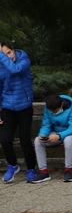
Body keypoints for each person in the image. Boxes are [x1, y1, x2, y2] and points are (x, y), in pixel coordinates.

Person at [0, 42, 38, 183]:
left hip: (24, 108)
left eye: (9, 52)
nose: (8, 57)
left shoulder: (24, 61)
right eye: (4, 55)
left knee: (25, 141)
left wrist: (0, 55)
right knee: (5, 139)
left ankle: (31, 169)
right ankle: (13, 165)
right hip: (8, 108)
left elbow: (14, 70)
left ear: (13, 50)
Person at [31, 94, 72, 183]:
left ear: (62, 104)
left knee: (68, 141)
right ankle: (43, 172)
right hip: (56, 133)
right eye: (51, 111)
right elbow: (46, 125)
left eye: (55, 110)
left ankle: (68, 170)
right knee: (38, 141)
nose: (53, 112)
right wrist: (42, 135)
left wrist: (59, 136)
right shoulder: (48, 108)